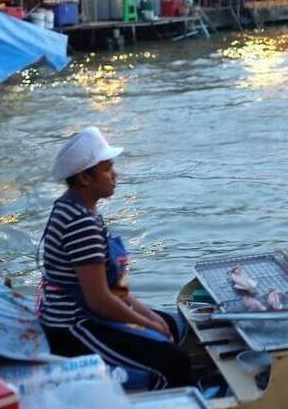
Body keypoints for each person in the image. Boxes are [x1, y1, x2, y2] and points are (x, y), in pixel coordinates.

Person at [38, 127, 192, 390]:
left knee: (170, 325)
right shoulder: (79, 223)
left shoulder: (82, 211)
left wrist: (153, 321)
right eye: (108, 169)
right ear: (85, 177)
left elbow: (116, 291)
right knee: (174, 363)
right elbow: (99, 301)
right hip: (73, 327)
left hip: (93, 313)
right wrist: (146, 323)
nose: (115, 175)